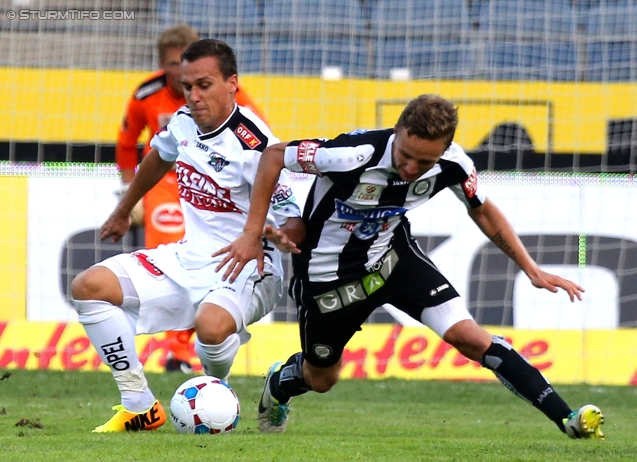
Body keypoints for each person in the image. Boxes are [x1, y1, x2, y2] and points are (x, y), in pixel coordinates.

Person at [215, 94, 605, 439]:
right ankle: (280, 384)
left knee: (468, 336)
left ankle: (568, 418)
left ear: (445, 149)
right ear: (397, 131)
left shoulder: (454, 165)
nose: (412, 168)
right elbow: (273, 156)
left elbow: (482, 209)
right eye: (405, 155)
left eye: (425, 161)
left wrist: (531, 268)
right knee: (322, 379)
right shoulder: (353, 153)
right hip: (327, 277)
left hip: (392, 258)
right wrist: (253, 233)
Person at [71, 38, 303, 433]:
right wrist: (124, 210)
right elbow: (157, 157)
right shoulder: (181, 123)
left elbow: (292, 217)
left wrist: (278, 236)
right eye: (186, 86)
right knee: (89, 286)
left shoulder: (255, 145)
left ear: (232, 83)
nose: (193, 96)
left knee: (209, 326)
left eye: (204, 85)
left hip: (249, 266)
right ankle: (139, 405)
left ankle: (221, 389)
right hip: (188, 258)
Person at [116, 24, 269, 373]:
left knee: (210, 260)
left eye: (181, 65)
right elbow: (127, 145)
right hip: (166, 181)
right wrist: (128, 194)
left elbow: (264, 152)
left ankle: (189, 346)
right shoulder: (145, 95)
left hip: (215, 186)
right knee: (173, 252)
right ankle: (177, 349)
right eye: (171, 65)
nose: (176, 73)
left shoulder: (232, 98)